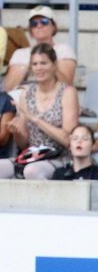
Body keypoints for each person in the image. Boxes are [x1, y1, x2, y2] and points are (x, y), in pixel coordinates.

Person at [0, 44, 79, 181]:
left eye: (43, 63)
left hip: (60, 156)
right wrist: (17, 131)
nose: (39, 68)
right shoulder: (26, 94)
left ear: (54, 65)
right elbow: (23, 144)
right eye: (35, 64)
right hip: (31, 156)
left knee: (32, 171)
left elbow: (68, 139)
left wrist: (35, 119)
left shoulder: (67, 92)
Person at [3, 7, 77, 94]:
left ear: (53, 26)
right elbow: (9, 88)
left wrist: (50, 63)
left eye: (44, 22)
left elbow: (67, 85)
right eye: (34, 23)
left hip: (54, 95)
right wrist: (28, 65)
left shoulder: (63, 50)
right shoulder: (20, 53)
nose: (39, 26)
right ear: (31, 29)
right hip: (22, 95)